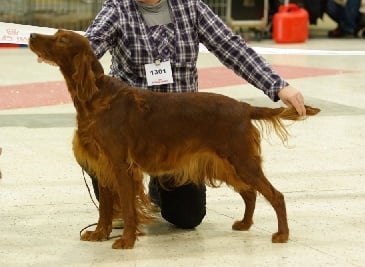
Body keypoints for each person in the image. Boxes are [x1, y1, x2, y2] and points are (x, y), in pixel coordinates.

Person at [83, 0, 307, 229]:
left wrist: (277, 86)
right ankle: (119, 205)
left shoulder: (190, 6)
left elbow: (231, 47)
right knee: (95, 142)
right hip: (132, 126)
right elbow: (89, 47)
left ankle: (158, 188)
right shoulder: (117, 8)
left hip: (182, 131)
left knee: (187, 216)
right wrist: (64, 52)